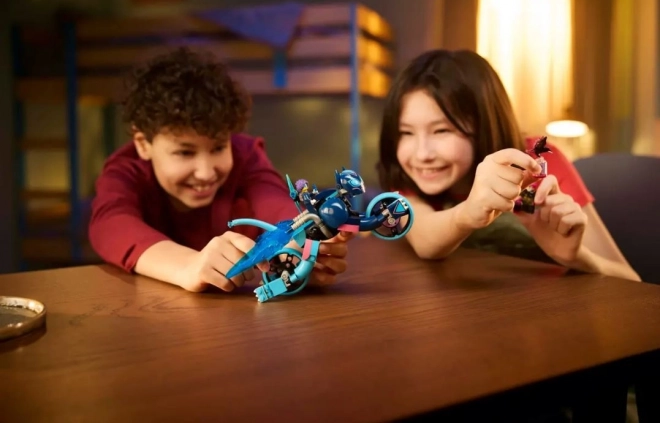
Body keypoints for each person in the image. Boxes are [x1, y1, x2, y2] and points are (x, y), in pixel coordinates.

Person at [89, 47, 351, 293]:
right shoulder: (126, 171)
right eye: (184, 152)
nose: (205, 173)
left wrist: (301, 245)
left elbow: (272, 200)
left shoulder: (245, 155)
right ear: (143, 144)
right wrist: (188, 265)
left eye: (218, 147)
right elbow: (110, 224)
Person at [377, 49, 640, 282]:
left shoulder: (537, 162)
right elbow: (425, 240)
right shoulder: (407, 174)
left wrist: (576, 257)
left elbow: (629, 278)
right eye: (405, 133)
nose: (422, 154)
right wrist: (469, 212)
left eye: (441, 130)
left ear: (485, 125)